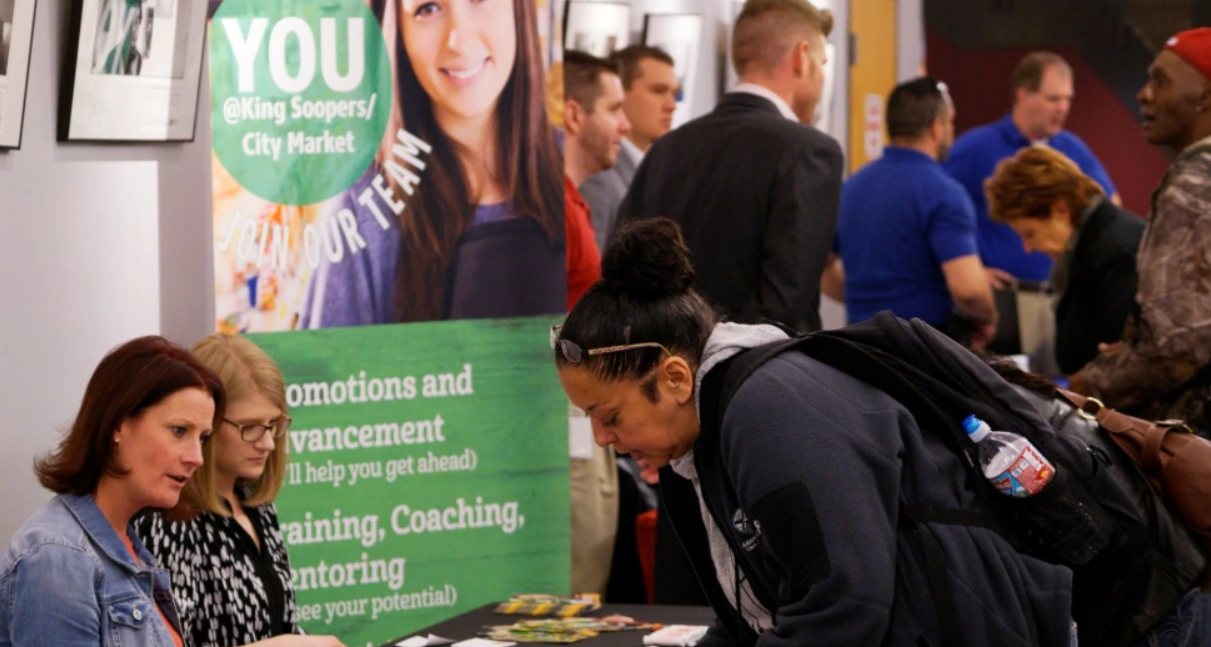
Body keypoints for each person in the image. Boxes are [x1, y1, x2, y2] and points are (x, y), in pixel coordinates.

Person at [553, 218, 1073, 646]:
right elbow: (758, 613)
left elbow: (843, 607)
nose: (601, 438)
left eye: (610, 415)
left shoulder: (768, 411)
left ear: (674, 378)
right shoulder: (707, 431)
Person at [301, 0, 564, 327]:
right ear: (399, 33)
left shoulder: (572, 166)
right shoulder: (363, 206)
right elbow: (327, 375)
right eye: (427, 8)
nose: (459, 39)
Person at [616, 0, 843, 334]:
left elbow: (623, 273)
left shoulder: (666, 148)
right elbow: (782, 307)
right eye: (822, 62)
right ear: (801, 57)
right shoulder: (810, 150)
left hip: (663, 371)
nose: (823, 76)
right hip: (756, 378)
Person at [0, 336, 224, 647]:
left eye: (203, 437)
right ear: (118, 424)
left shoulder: (126, 543)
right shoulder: (58, 558)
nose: (196, 457)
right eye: (179, 431)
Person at [133, 335, 344, 647]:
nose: (268, 443)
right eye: (250, 427)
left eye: (274, 424)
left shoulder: (256, 504)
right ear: (207, 424)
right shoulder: (168, 520)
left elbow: (282, 625)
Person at [1072, 28, 1211, 432]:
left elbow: (1177, 349)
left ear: (1205, 95)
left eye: (1161, 81)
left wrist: (1091, 382)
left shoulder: (1191, 184)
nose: (1143, 94)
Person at [824, 77, 996, 345]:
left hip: (858, 346)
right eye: (950, 122)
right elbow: (968, 291)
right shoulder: (945, 193)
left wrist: (867, 303)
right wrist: (989, 316)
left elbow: (822, 269)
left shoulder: (851, 188)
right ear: (937, 128)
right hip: (925, 349)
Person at [945, 51, 1120, 285]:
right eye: (1053, 99)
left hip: (1061, 290)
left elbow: (1110, 207)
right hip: (1002, 293)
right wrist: (971, 272)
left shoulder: (1072, 148)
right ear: (1023, 95)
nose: (1063, 108)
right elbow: (937, 215)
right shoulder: (974, 148)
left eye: (1068, 99)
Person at [984, 146, 1145, 376]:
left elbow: (1126, 365)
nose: (1028, 248)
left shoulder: (1115, 253)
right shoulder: (1093, 246)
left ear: (1060, 209)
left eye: (1029, 234)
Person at [579, 45, 678, 250]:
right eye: (658, 91)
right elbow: (593, 270)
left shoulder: (654, 168)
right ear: (620, 95)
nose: (671, 104)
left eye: (674, 93)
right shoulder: (600, 177)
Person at [564, 50, 630, 308]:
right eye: (614, 109)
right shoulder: (558, 210)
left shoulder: (571, 203)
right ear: (574, 116)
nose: (625, 125)